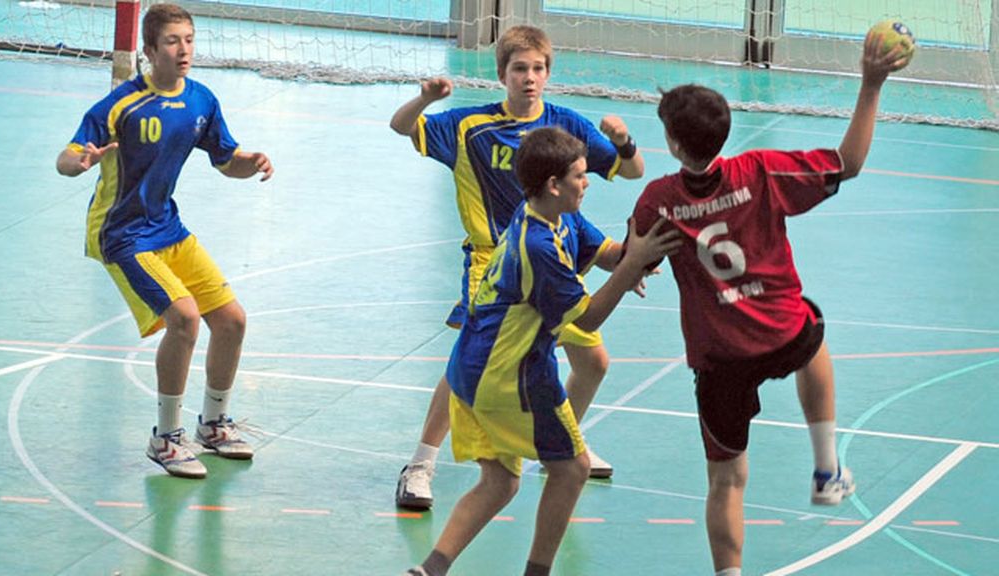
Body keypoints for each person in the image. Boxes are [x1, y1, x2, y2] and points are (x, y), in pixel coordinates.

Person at [628, 31, 908, 575]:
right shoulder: (759, 170)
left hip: (720, 359)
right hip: (782, 332)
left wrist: (634, 267)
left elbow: (637, 259)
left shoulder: (658, 200)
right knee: (814, 336)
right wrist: (872, 84)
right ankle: (827, 466)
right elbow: (847, 163)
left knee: (727, 480)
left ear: (675, 146)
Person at [389, 24, 645, 509]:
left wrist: (624, 140)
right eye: (520, 69)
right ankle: (420, 463)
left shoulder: (567, 124)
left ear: (549, 74)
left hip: (552, 256)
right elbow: (402, 127)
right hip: (492, 263)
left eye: (538, 69)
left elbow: (631, 170)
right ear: (502, 74)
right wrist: (424, 99)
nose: (530, 78)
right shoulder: (468, 127)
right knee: (465, 362)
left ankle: (562, 445)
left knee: (593, 362)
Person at [406, 126, 681, 576]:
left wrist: (643, 252)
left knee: (499, 482)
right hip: (509, 378)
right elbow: (588, 318)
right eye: (579, 175)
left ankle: (429, 569)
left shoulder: (553, 214)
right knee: (571, 470)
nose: (588, 180)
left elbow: (611, 255)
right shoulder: (538, 247)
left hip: (469, 371)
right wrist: (634, 264)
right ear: (554, 185)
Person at [56, 2, 274, 479]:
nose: (184, 50)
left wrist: (251, 160)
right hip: (122, 233)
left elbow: (225, 160)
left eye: (189, 41)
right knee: (184, 318)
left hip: (166, 227)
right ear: (149, 48)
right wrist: (83, 161)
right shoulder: (120, 105)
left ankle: (213, 425)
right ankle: (166, 438)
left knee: (233, 321)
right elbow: (66, 158)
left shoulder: (201, 100)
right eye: (173, 42)